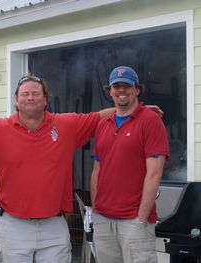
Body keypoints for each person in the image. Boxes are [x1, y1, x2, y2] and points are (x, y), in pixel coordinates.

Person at [0, 75, 162, 263]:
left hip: (54, 227)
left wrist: (132, 111)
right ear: (16, 100)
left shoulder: (66, 125)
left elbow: (98, 117)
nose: (30, 97)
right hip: (12, 227)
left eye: (36, 93)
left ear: (45, 99)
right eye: (25, 94)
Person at [90, 66, 169, 263]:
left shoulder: (150, 121)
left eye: (127, 85)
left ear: (137, 90)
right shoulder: (103, 124)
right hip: (103, 221)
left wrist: (141, 218)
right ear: (110, 91)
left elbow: (155, 173)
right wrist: (96, 212)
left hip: (134, 222)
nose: (121, 90)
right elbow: (97, 171)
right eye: (117, 86)